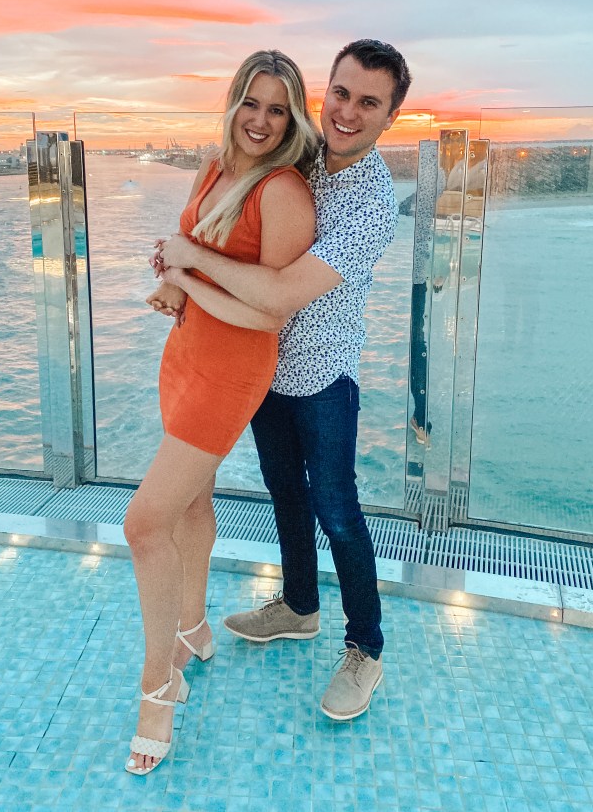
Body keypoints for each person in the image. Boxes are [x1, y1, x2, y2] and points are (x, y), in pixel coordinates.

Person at [158, 39, 411, 721]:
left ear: (391, 116)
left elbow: (277, 295)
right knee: (283, 491)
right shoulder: (300, 157)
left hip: (323, 374)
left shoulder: (372, 207)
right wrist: (180, 271)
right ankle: (300, 604)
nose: (348, 112)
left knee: (337, 509)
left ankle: (366, 647)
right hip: (262, 367)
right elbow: (236, 210)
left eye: (369, 103)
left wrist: (187, 265)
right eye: (341, 94)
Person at [123, 50, 318, 774]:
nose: (261, 121)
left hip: (231, 369)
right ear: (234, 103)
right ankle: (193, 628)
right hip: (184, 353)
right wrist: (174, 278)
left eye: (278, 109)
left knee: (144, 523)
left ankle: (156, 691)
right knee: (191, 501)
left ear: (293, 119)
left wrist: (188, 271)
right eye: (251, 103)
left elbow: (269, 313)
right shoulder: (213, 168)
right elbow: (194, 252)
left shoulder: (284, 191)